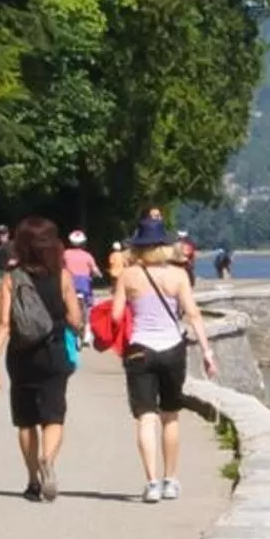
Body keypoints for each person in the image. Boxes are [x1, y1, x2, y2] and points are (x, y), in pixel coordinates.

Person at [114, 213, 216, 503]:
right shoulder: (179, 275)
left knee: (146, 417)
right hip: (172, 348)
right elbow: (193, 314)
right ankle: (171, 480)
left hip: (139, 349)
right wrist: (207, 353)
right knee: (170, 416)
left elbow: (117, 315)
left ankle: (151, 482)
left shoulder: (128, 276)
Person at [0, 216, 84, 501]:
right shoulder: (63, 276)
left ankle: (32, 481)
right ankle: (48, 459)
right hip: (54, 351)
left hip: (21, 354)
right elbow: (75, 319)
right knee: (54, 415)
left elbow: (3, 324)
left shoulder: (11, 279)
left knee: (26, 421)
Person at [62, 230, 97, 316]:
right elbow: (95, 270)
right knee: (88, 300)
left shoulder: (65, 253)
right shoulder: (87, 255)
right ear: (83, 243)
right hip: (84, 283)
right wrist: (97, 275)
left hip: (70, 282)